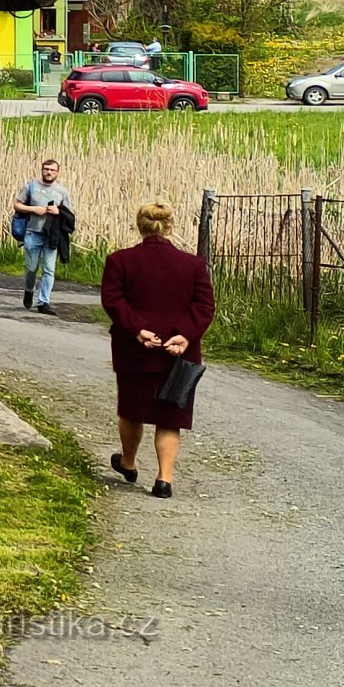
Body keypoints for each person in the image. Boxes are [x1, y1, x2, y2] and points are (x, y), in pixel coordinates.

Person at [100, 201, 215, 499]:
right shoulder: (193, 265)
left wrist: (137, 329)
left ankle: (128, 462)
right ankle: (164, 479)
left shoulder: (119, 261)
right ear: (170, 227)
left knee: (132, 411)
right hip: (178, 356)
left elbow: (113, 301)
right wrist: (184, 337)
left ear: (140, 226)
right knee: (169, 417)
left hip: (135, 350)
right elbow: (204, 307)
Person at [11, 157, 73, 314]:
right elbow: (17, 204)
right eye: (46, 169)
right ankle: (29, 289)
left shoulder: (62, 192)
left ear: (57, 172)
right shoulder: (31, 186)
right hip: (32, 232)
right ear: (42, 170)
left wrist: (58, 211)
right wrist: (34, 209)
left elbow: (69, 214)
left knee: (49, 269)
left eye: (52, 170)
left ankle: (43, 302)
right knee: (31, 268)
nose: (49, 172)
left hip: (52, 235)